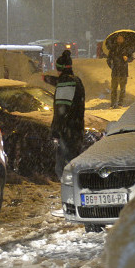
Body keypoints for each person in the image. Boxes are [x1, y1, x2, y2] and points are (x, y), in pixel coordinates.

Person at [50, 50, 86, 179]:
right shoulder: (76, 81)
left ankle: (72, 194)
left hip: (67, 132)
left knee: (62, 168)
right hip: (76, 129)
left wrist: (55, 130)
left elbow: (61, 110)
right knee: (73, 164)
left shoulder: (65, 83)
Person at [107, 34, 131, 108]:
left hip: (123, 71)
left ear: (123, 39)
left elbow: (131, 58)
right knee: (114, 88)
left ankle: (120, 103)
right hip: (115, 71)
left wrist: (127, 59)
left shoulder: (127, 48)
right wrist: (112, 66)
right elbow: (108, 59)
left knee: (122, 88)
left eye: (121, 38)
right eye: (118, 38)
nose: (119, 40)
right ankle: (113, 103)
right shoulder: (113, 48)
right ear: (116, 39)